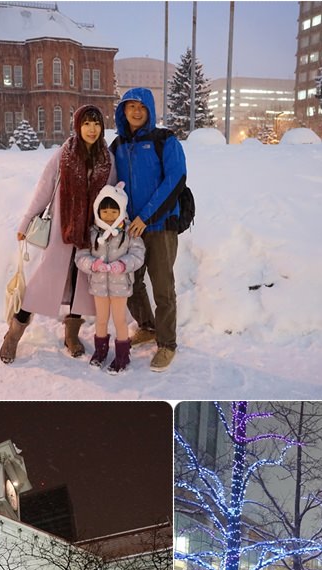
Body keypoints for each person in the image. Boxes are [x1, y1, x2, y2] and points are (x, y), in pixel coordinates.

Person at [3, 104, 115, 364]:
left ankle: (71, 336)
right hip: (60, 230)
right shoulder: (64, 153)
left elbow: (112, 199)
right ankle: (14, 333)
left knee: (81, 285)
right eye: (86, 123)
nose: (91, 129)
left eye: (96, 124)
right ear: (78, 125)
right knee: (44, 280)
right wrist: (26, 221)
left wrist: (110, 230)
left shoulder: (107, 159)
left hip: (91, 232)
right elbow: (44, 189)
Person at [111, 88, 187, 372]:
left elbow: (176, 179)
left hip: (160, 226)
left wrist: (145, 216)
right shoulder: (117, 145)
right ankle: (147, 327)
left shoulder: (164, 140)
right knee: (129, 284)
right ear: (123, 111)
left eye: (142, 106)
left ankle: (167, 344)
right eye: (131, 106)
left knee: (163, 288)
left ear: (150, 110)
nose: (136, 111)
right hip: (130, 229)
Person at [75, 183, 146, 373]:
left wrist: (122, 265)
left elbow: (138, 255)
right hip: (98, 286)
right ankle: (101, 352)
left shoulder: (129, 232)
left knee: (120, 320)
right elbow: (80, 256)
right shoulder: (92, 233)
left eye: (113, 211)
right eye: (104, 212)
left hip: (121, 286)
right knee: (101, 320)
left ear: (121, 211)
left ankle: (123, 355)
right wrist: (92, 265)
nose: (108, 216)